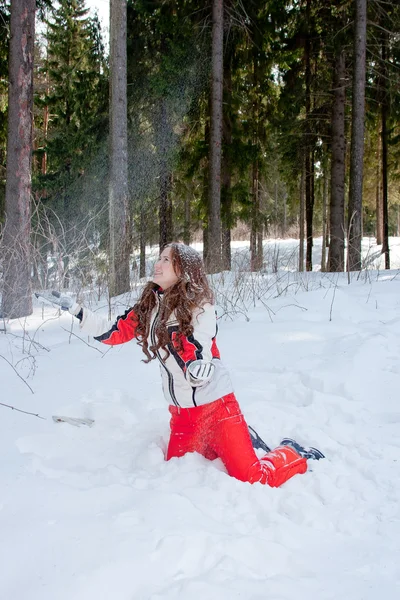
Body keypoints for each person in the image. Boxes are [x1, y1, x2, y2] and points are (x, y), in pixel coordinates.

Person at [48, 242, 323, 487]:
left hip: (216, 406)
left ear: (183, 268)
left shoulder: (198, 306)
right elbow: (113, 332)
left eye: (166, 259)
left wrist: (197, 365)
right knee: (179, 475)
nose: (158, 264)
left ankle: (292, 452)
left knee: (253, 478)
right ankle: (238, 440)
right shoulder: (149, 305)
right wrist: (76, 310)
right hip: (183, 416)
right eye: (159, 258)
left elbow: (199, 342)